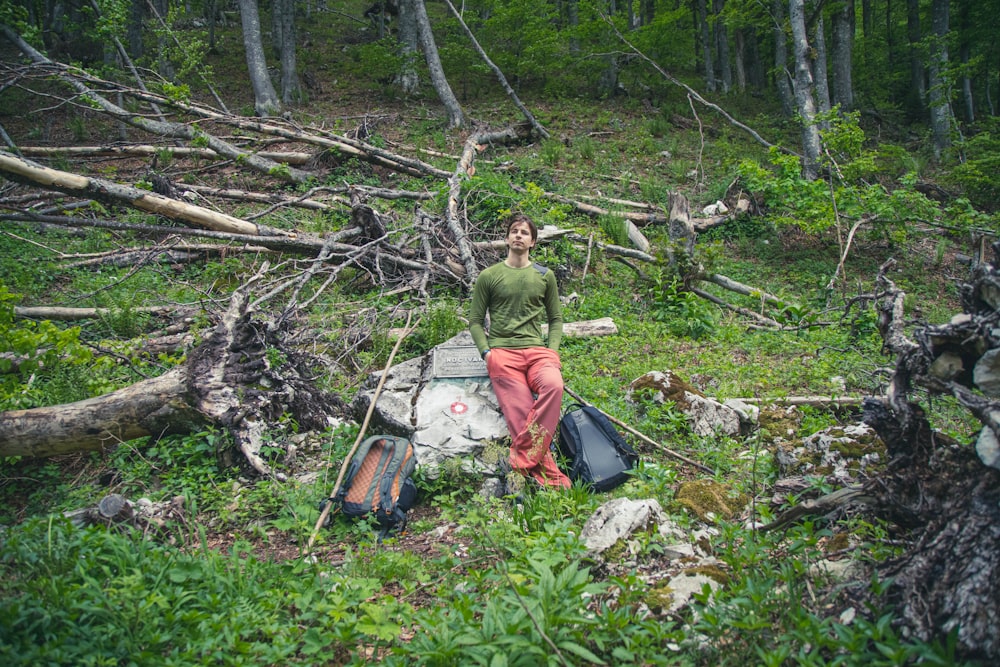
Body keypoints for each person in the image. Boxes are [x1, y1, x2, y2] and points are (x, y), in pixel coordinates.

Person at [469, 213, 571, 489]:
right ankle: (553, 480)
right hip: (504, 356)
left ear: (533, 242)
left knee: (554, 386)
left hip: (538, 353)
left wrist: (552, 351)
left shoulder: (544, 276)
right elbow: (476, 322)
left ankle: (518, 461)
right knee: (522, 413)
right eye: (514, 231)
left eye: (524, 232)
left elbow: (556, 319)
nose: (518, 236)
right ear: (506, 238)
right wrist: (487, 353)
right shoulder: (489, 276)